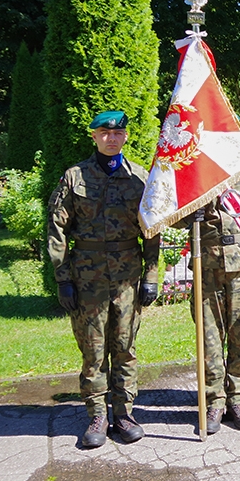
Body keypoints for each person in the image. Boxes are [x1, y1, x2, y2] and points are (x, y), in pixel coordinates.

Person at [47, 111, 159, 448]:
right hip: (87, 276)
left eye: (117, 133)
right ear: (94, 136)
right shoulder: (74, 177)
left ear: (125, 137)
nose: (111, 138)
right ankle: (97, 414)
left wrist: (151, 275)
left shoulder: (140, 178)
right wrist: (62, 277)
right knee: (93, 349)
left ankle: (124, 413)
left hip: (127, 275)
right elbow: (57, 230)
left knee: (125, 347)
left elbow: (152, 231)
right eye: (104, 133)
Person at [178, 165, 240, 434]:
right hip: (207, 267)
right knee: (210, 340)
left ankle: (237, 400)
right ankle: (214, 401)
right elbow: (171, 212)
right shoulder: (198, 168)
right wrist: (188, 214)